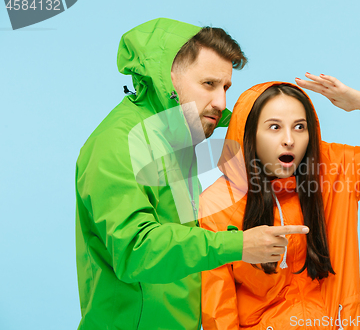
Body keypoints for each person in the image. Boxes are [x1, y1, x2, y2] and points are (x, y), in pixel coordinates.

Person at [75, 18, 309, 330]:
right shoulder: (117, 144)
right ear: (167, 76)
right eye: (208, 84)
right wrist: (238, 245)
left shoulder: (173, 136)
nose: (220, 101)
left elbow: (181, 233)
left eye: (226, 87)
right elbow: (136, 250)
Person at [199, 75, 360, 330]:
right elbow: (218, 312)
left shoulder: (336, 171)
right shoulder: (216, 205)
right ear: (249, 134)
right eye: (274, 127)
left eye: (300, 127)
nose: (289, 139)